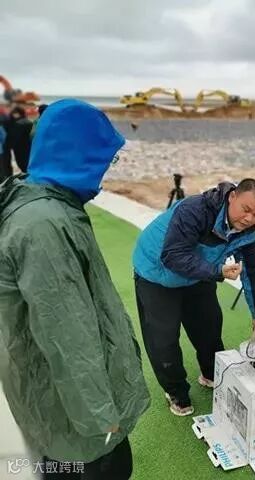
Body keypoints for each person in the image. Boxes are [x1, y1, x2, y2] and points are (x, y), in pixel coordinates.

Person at [0, 99, 150, 479]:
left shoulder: (41, 202)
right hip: (75, 417)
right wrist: (101, 416)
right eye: (104, 159)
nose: (106, 169)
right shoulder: (43, 225)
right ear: (78, 155)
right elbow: (67, 333)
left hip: (59, 400)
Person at [132, 178, 255, 416]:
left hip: (198, 273)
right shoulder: (195, 209)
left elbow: (254, 272)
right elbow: (173, 255)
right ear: (232, 197)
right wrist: (217, 271)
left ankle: (211, 373)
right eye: (246, 209)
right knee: (163, 340)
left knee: (209, 326)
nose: (249, 219)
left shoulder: (246, 231)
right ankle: (176, 390)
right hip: (156, 273)